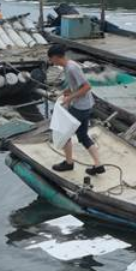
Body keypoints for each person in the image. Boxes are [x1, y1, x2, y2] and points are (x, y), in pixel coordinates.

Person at [47, 44, 105, 175]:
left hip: (80, 107)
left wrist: (69, 98)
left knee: (64, 133)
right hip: (86, 106)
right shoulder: (69, 66)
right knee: (83, 135)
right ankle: (98, 165)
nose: (51, 62)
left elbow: (86, 87)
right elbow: (77, 85)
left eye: (51, 59)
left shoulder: (72, 68)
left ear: (56, 57)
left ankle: (68, 163)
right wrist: (68, 91)